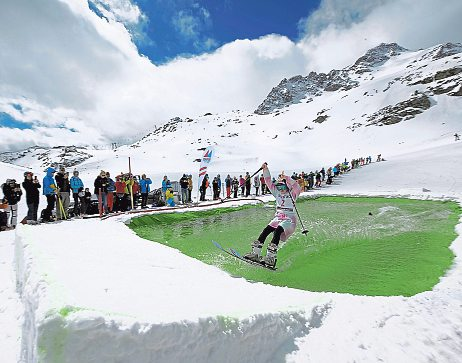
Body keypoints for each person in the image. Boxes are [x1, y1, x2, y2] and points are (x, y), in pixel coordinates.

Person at [244, 163, 302, 268]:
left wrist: (287, 178)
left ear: (287, 186)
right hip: (278, 217)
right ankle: (255, 253)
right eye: (278, 187)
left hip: (289, 218)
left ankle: (271, 258)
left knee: (278, 231)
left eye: (282, 187)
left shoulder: (293, 194)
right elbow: (268, 181)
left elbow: (297, 186)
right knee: (266, 230)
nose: (281, 189)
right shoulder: (277, 192)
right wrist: (265, 169)